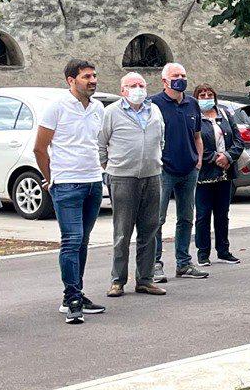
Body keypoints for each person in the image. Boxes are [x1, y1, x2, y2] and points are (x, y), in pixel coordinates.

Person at [33, 58, 109, 325]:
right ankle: (72, 298)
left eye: (94, 76)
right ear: (71, 80)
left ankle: (76, 292)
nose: (92, 80)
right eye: (86, 76)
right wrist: (51, 178)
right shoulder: (56, 107)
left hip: (92, 182)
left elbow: (94, 143)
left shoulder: (98, 107)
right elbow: (40, 148)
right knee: (71, 240)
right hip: (66, 184)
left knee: (83, 242)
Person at [99, 72, 167, 297]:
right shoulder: (111, 113)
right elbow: (101, 143)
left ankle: (145, 279)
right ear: (122, 91)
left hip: (152, 175)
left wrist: (154, 160)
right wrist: (109, 166)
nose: (138, 89)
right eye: (132, 85)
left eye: (141, 85)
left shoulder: (154, 110)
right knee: (123, 231)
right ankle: (118, 280)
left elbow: (161, 140)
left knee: (149, 229)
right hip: (122, 177)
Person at [153, 61, 206, 281]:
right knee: (157, 219)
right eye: (176, 75)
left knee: (186, 218)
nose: (181, 79)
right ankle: (154, 263)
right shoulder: (154, 104)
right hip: (164, 170)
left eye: (183, 75)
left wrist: (199, 160)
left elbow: (197, 136)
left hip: (189, 169)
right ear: (164, 80)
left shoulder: (192, 104)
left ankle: (183, 263)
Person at [193, 85, 242, 265]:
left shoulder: (225, 114)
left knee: (223, 213)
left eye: (209, 94)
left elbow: (238, 140)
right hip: (205, 174)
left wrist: (228, 156)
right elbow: (194, 143)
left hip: (225, 173)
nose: (206, 97)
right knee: (203, 214)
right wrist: (213, 157)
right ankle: (203, 253)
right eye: (202, 95)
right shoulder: (195, 116)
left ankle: (224, 250)